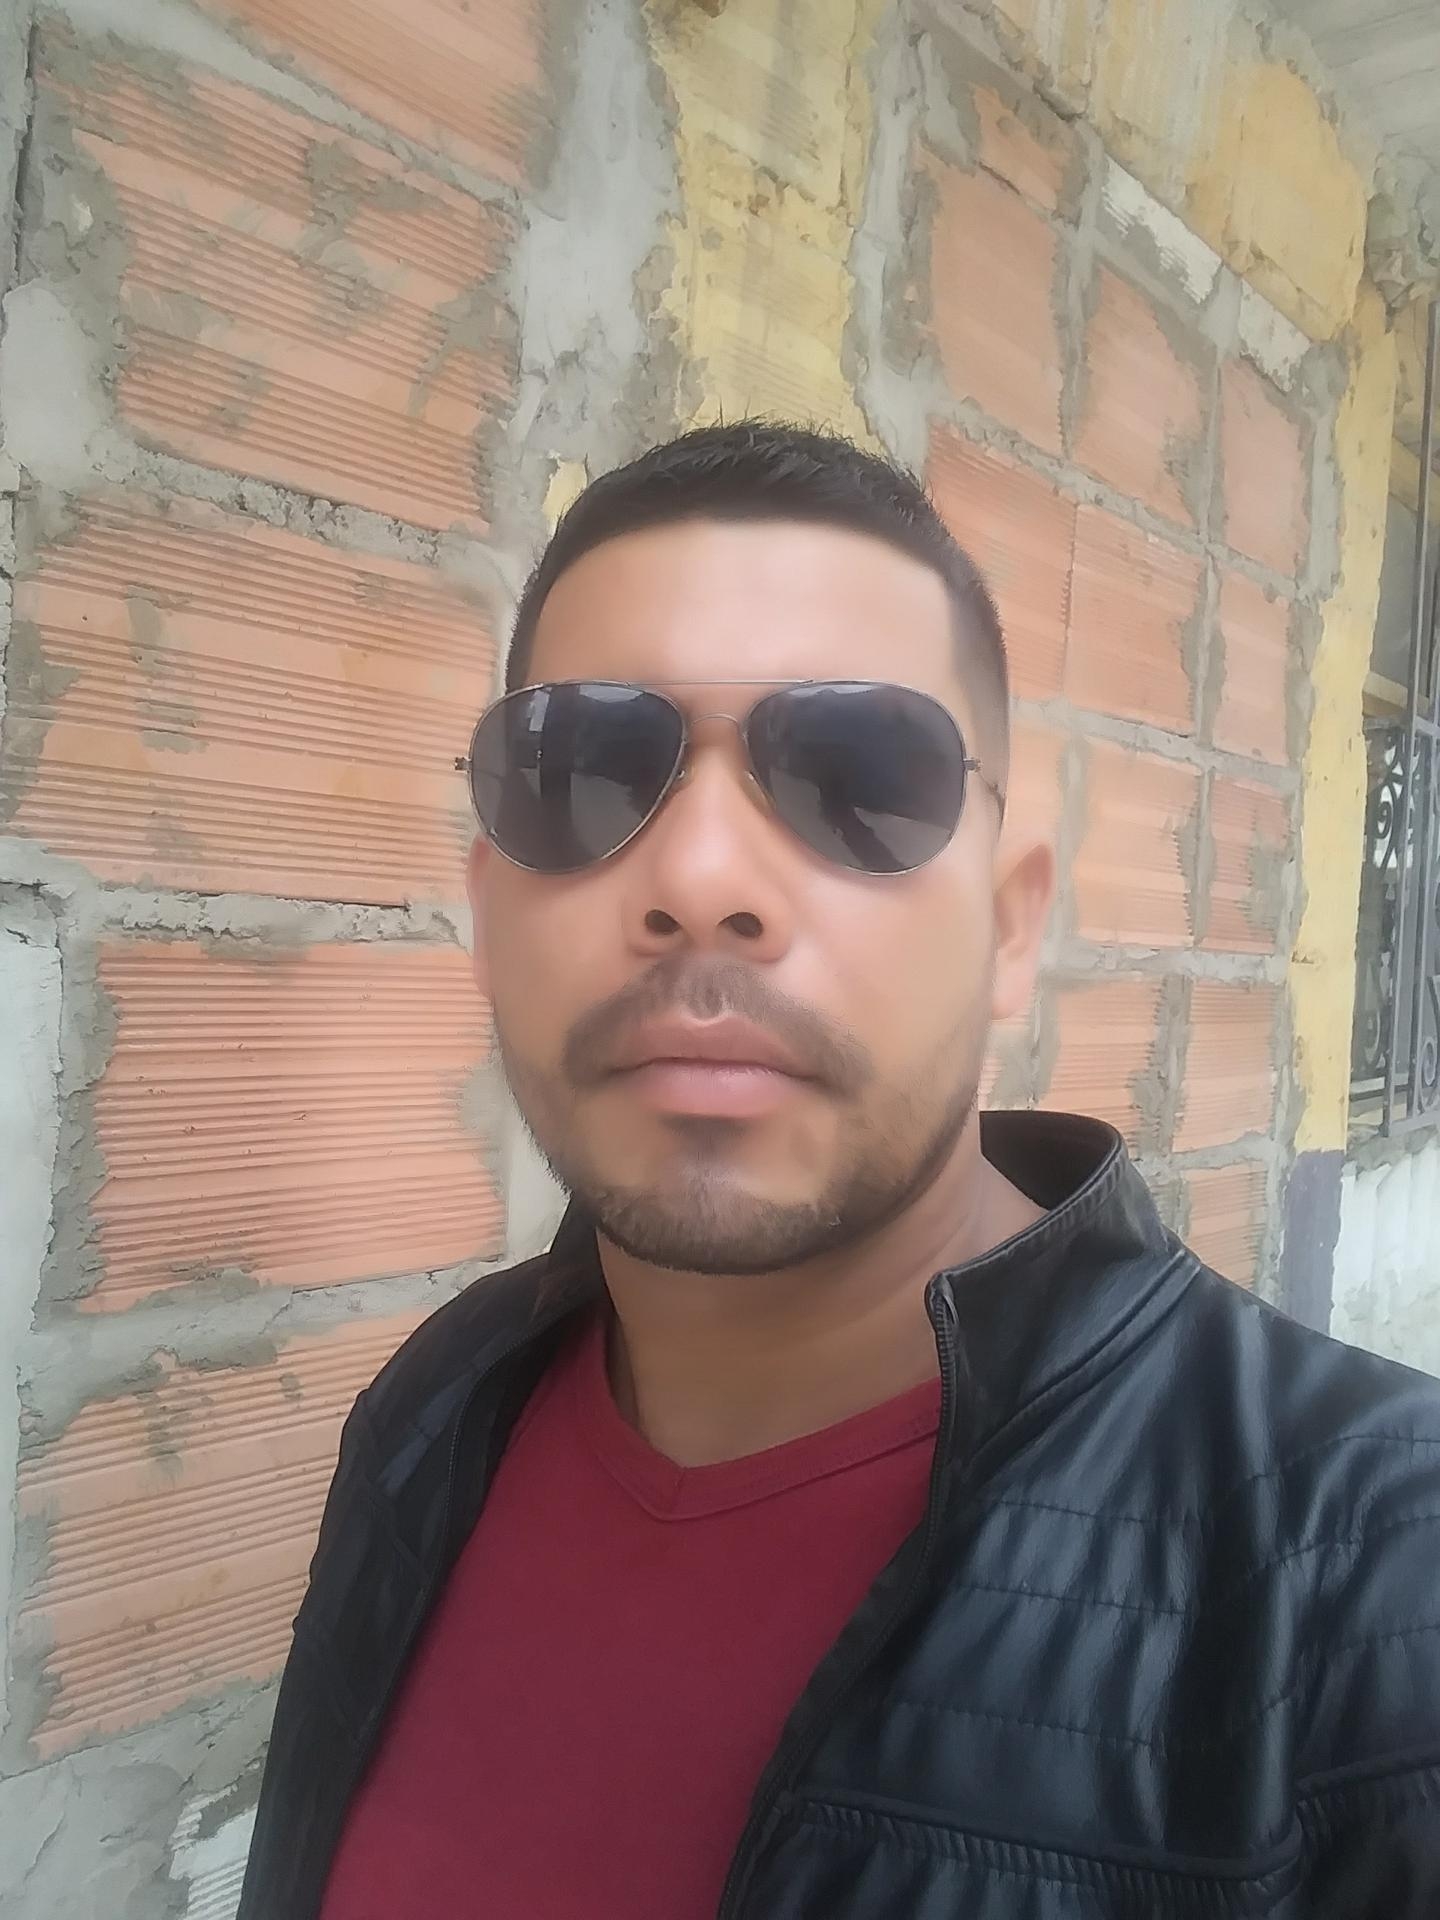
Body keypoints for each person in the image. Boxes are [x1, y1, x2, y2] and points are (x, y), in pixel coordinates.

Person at [239, 423, 1440, 1920]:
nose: (701, 883)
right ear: (488, 915)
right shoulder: (432, 1413)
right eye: (582, 772)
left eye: (861, 774)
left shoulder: (1379, 1589)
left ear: (1011, 931)